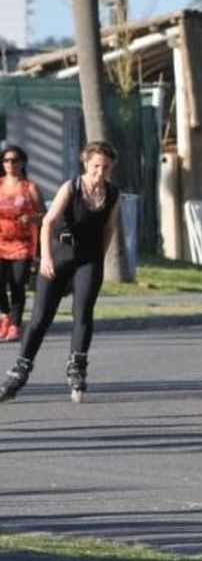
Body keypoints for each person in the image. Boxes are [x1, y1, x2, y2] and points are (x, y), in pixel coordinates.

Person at [0, 141, 122, 405]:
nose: (100, 173)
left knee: (83, 314)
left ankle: (77, 368)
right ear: (86, 164)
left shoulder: (112, 194)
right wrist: (46, 257)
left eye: (106, 168)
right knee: (41, 317)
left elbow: (109, 228)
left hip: (89, 258)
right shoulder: (71, 187)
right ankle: (18, 371)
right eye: (96, 167)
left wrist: (99, 257)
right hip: (60, 254)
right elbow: (48, 222)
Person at [0, 145, 44, 343]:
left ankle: (15, 325)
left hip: (23, 244)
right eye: (6, 160)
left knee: (17, 285)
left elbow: (45, 215)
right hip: (0, 241)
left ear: (22, 162)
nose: (10, 164)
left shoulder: (30, 187)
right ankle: (5, 315)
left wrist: (32, 218)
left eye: (14, 160)